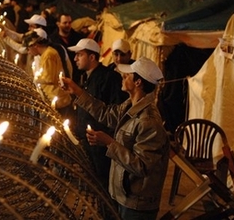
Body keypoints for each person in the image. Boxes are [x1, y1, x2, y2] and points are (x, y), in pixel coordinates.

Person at [61, 57, 170, 220]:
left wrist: (108, 142)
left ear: (138, 82)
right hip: (123, 195)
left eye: (127, 76)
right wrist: (77, 91)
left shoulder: (149, 121)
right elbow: (105, 113)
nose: (123, 77)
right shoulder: (129, 105)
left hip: (137, 202)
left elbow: (142, 166)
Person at [67, 38, 126, 190]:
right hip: (89, 141)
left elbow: (114, 111)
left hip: (100, 144)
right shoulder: (87, 77)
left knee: (101, 185)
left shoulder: (110, 77)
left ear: (92, 57)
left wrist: (107, 139)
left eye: (79, 55)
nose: (75, 59)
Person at [23, 28, 73, 119]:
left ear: (35, 45)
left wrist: (33, 79)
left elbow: (48, 78)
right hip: (54, 98)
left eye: (28, 48)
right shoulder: (46, 54)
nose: (28, 51)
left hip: (58, 100)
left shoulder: (48, 55)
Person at [50, 13, 84, 84]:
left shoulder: (79, 38)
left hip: (76, 76)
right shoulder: (52, 40)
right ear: (58, 24)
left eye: (69, 22)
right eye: (65, 23)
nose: (68, 25)